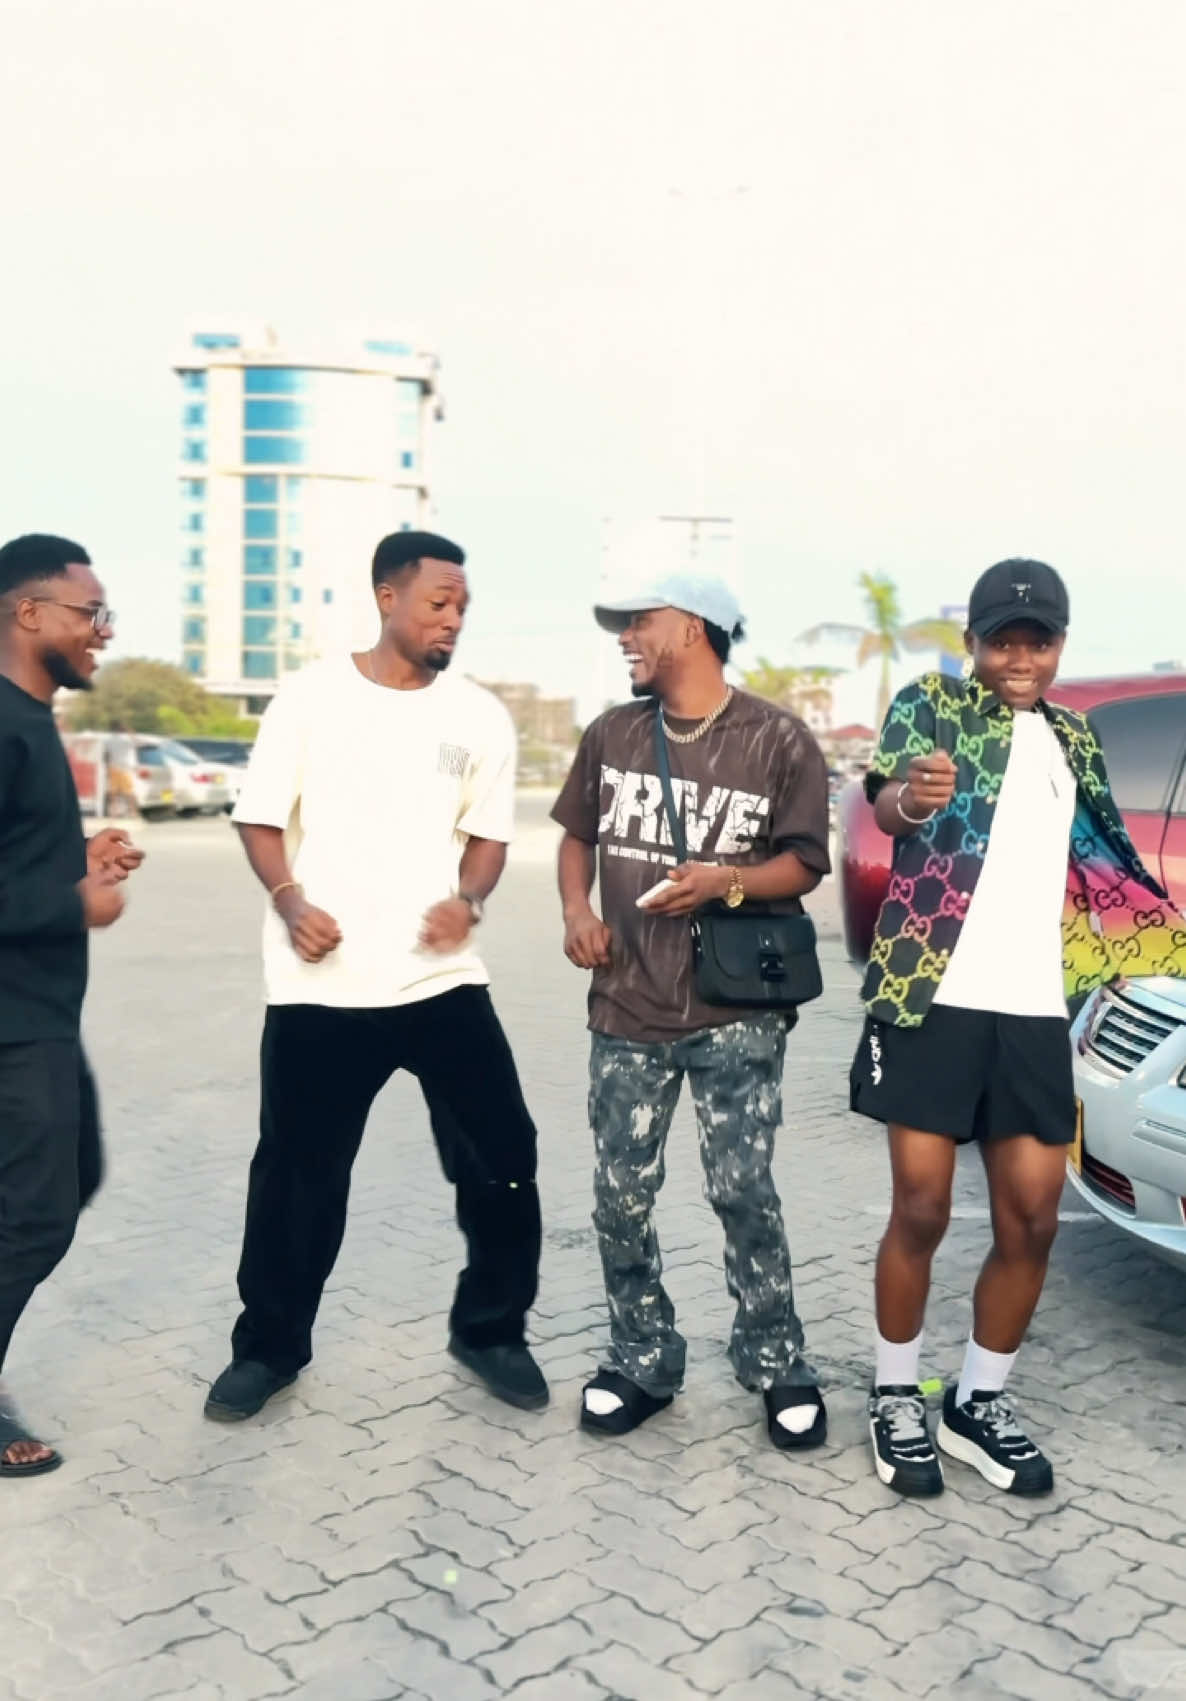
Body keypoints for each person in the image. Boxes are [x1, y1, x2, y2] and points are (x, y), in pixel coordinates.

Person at [852, 558, 1186, 1499]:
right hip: (935, 994)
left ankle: (977, 1400)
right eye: (1003, 640)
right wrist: (913, 799)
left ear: (1060, 645)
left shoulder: (1075, 737)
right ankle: (895, 1394)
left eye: (1038, 641)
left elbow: (1104, 861)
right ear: (974, 644)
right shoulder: (931, 707)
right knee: (922, 1206)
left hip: (1035, 1006)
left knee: (1033, 1217)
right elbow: (887, 800)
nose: (1021, 658)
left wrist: (1147, 944)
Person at [205, 531, 547, 1422]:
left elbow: (488, 838)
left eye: (463, 606)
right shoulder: (310, 699)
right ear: (387, 597)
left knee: (504, 1154)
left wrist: (468, 900)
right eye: (438, 601)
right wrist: (289, 899)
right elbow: (259, 817)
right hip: (322, 984)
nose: (453, 618)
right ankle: (268, 1348)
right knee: (297, 1179)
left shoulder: (479, 716)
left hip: (441, 981)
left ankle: (491, 1331)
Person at [552, 574, 832, 1447]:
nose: (626, 637)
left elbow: (805, 862)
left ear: (694, 629)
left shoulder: (777, 739)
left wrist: (726, 882)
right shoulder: (613, 734)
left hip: (734, 1008)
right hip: (626, 1004)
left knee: (743, 1189)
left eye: (641, 622)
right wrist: (576, 911)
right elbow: (576, 835)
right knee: (619, 1196)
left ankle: (776, 1358)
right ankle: (642, 1356)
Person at [0, 533, 143, 1478]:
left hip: (39, 1015)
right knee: (37, 1214)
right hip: (14, 1024)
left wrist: (77, 860)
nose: (104, 631)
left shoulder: (29, 719)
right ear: (28, 613)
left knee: (65, 1178)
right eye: (91, 613)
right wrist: (74, 904)